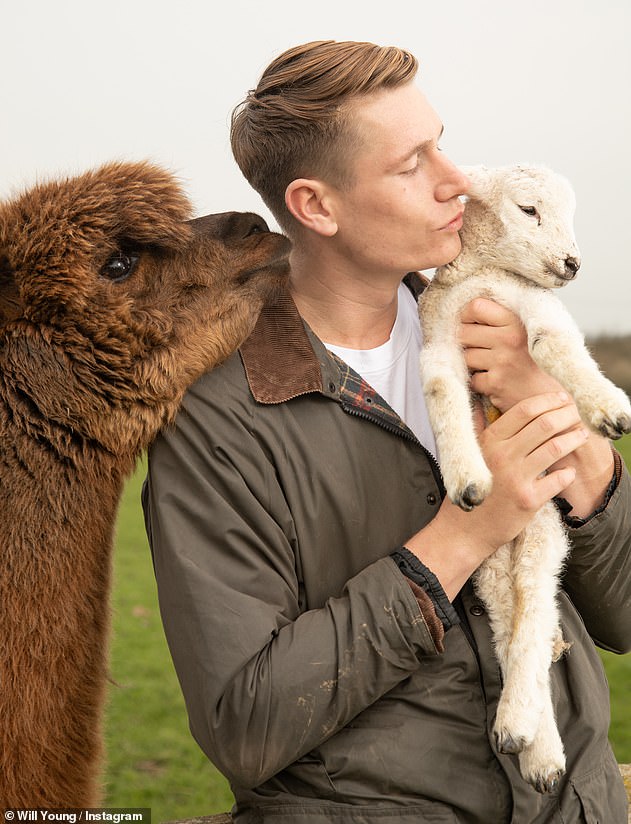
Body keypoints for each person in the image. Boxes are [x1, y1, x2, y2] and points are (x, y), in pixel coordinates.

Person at [142, 40, 631, 823]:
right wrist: (462, 536)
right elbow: (245, 723)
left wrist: (557, 418)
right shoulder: (220, 416)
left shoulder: (502, 337)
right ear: (316, 207)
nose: (456, 181)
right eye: (411, 165)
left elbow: (625, 614)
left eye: (441, 143)